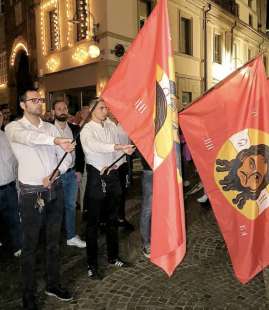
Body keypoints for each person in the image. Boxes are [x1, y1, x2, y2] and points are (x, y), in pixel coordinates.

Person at [5, 89, 74, 310]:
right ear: (23, 104)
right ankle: (28, 294)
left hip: (55, 189)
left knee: (54, 243)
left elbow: (67, 157)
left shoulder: (51, 126)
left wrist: (57, 172)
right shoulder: (14, 127)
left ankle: (53, 284)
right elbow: (30, 139)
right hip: (31, 194)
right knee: (30, 247)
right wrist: (56, 140)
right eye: (33, 100)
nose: (38, 102)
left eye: (40, 99)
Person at [80, 97, 135, 279]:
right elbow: (93, 147)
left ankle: (113, 257)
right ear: (92, 109)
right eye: (102, 108)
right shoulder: (87, 130)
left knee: (113, 220)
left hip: (113, 176)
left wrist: (122, 154)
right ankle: (91, 265)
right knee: (93, 224)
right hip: (97, 177)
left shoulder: (110, 124)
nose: (106, 110)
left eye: (106, 108)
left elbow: (116, 150)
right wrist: (116, 147)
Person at [52, 99, 86, 248]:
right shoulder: (47, 130)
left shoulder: (74, 128)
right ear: (53, 112)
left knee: (71, 206)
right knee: (55, 207)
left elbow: (79, 152)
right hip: (55, 175)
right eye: (59, 109)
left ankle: (71, 236)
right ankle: (53, 237)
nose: (62, 111)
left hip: (71, 174)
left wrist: (79, 170)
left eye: (64, 108)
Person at [0, 109, 22, 257]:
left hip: (9, 186)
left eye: (0, 117)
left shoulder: (6, 137)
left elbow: (14, 161)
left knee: (14, 217)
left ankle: (18, 246)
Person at [108, 113, 134, 231]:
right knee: (111, 194)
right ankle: (108, 220)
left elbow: (130, 141)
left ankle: (121, 218)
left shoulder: (125, 123)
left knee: (123, 191)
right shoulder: (105, 124)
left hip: (123, 161)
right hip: (109, 164)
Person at [140, 156, 152, 258]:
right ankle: (146, 243)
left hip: (165, 169)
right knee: (147, 209)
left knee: (163, 208)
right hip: (149, 171)